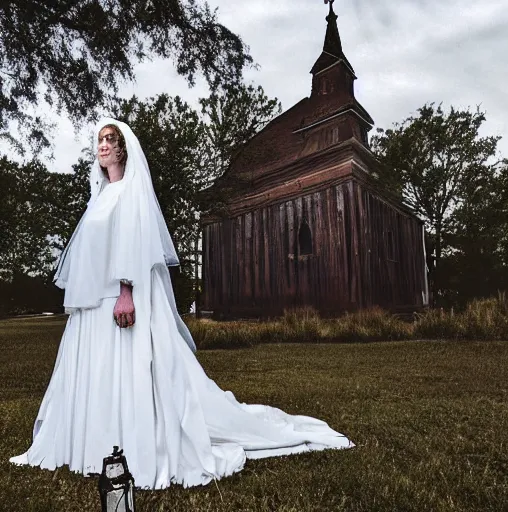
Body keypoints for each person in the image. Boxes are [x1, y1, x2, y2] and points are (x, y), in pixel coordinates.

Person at [10, 119, 353, 489]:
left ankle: (134, 442)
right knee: (97, 370)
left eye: (110, 140)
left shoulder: (130, 192)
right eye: (100, 141)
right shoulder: (99, 197)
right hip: (93, 303)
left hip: (119, 294)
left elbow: (132, 242)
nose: (103, 146)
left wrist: (126, 291)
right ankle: (88, 444)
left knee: (129, 367)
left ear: (124, 149)